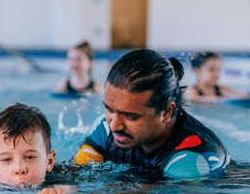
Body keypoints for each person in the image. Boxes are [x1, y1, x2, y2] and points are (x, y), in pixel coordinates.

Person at [74, 49, 229, 179]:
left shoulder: (193, 159)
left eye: (130, 116)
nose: (114, 125)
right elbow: (75, 176)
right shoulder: (103, 130)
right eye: (109, 109)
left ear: (167, 112)